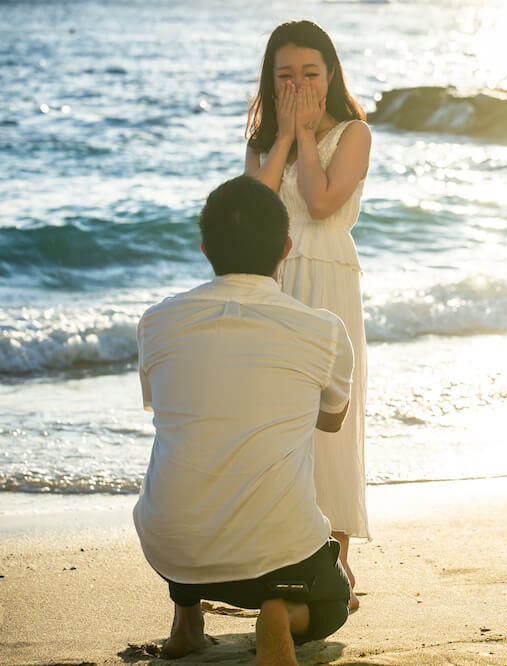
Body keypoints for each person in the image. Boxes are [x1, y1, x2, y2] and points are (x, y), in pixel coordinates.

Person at [133, 176, 355, 664]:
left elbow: (164, 407)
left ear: (205, 247)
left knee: (195, 456)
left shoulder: (156, 321)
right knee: (336, 599)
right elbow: (333, 421)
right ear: (287, 249)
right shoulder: (324, 331)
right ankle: (281, 613)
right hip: (280, 554)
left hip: (173, 551)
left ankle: (186, 623)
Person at [244, 19, 371, 611]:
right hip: (276, 282)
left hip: (330, 281)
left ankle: (338, 556)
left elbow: (321, 204)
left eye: (310, 74)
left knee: (332, 421)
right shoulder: (261, 143)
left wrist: (303, 137)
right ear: (270, 83)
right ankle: (280, 553)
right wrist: (285, 141)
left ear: (331, 75)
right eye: (285, 76)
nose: (298, 86)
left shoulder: (353, 135)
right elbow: (255, 211)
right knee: (277, 421)